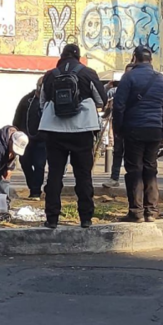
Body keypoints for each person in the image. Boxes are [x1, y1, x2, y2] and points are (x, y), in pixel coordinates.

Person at [39, 43, 106, 229]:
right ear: (78, 56)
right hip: (82, 130)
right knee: (83, 176)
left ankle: (52, 218)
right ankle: (85, 218)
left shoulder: (50, 75)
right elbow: (102, 100)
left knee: (54, 175)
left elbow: (42, 102)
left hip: (54, 130)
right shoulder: (88, 73)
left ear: (62, 55)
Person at [112, 45, 163, 223]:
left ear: (134, 58)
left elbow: (119, 106)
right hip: (155, 130)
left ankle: (136, 212)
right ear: (151, 60)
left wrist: (118, 129)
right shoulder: (161, 79)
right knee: (150, 169)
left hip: (133, 128)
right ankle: (151, 211)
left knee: (134, 170)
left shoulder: (128, 77)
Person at [102, 64, 136, 190]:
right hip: (120, 124)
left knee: (132, 154)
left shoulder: (137, 87)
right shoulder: (118, 89)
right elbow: (105, 99)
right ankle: (114, 177)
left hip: (133, 124)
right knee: (117, 152)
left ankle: (134, 179)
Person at [13, 81, 48, 200]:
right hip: (25, 139)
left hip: (42, 140)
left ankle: (36, 191)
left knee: (39, 165)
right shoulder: (27, 100)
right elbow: (17, 118)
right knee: (25, 163)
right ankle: (32, 186)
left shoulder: (49, 101)